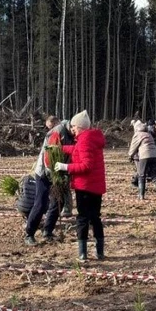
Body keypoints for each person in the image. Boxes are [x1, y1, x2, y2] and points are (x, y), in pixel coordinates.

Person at [56, 110, 107, 261]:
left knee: (83, 218)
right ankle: (99, 252)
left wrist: (65, 167)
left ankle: (82, 253)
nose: (72, 129)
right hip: (96, 187)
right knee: (95, 218)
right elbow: (78, 150)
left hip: (85, 187)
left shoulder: (84, 140)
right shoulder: (91, 138)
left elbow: (86, 166)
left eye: (73, 126)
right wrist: (61, 148)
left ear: (80, 127)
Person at [24, 115, 73, 245]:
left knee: (59, 201)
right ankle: (29, 234)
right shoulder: (57, 132)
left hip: (59, 172)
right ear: (73, 126)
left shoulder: (73, 134)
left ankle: (48, 231)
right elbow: (48, 156)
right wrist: (54, 174)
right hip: (45, 173)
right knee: (41, 203)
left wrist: (65, 172)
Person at [128, 120, 156, 199]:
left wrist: (130, 156)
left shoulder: (138, 134)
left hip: (145, 155)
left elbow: (133, 147)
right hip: (155, 155)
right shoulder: (149, 134)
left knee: (141, 175)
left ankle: (141, 195)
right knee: (155, 176)